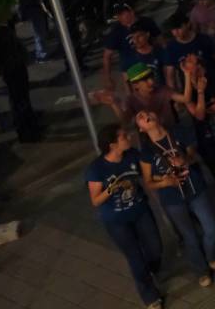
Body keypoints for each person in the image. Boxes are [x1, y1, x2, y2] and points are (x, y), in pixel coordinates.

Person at [135, 109, 215, 287]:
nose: (145, 116)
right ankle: (201, 270)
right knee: (189, 236)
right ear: (141, 129)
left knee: (212, 228)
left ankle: (211, 254)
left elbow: (194, 154)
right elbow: (148, 182)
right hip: (172, 199)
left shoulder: (178, 132)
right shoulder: (147, 151)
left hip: (196, 188)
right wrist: (165, 182)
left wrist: (185, 160)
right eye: (140, 118)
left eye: (146, 112)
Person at [85, 124, 164, 309]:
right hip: (116, 221)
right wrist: (112, 188)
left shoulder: (132, 155)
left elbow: (146, 175)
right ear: (112, 145)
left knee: (155, 247)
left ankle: (150, 269)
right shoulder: (96, 169)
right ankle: (150, 296)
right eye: (123, 136)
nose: (128, 137)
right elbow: (95, 200)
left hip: (140, 210)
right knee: (135, 256)